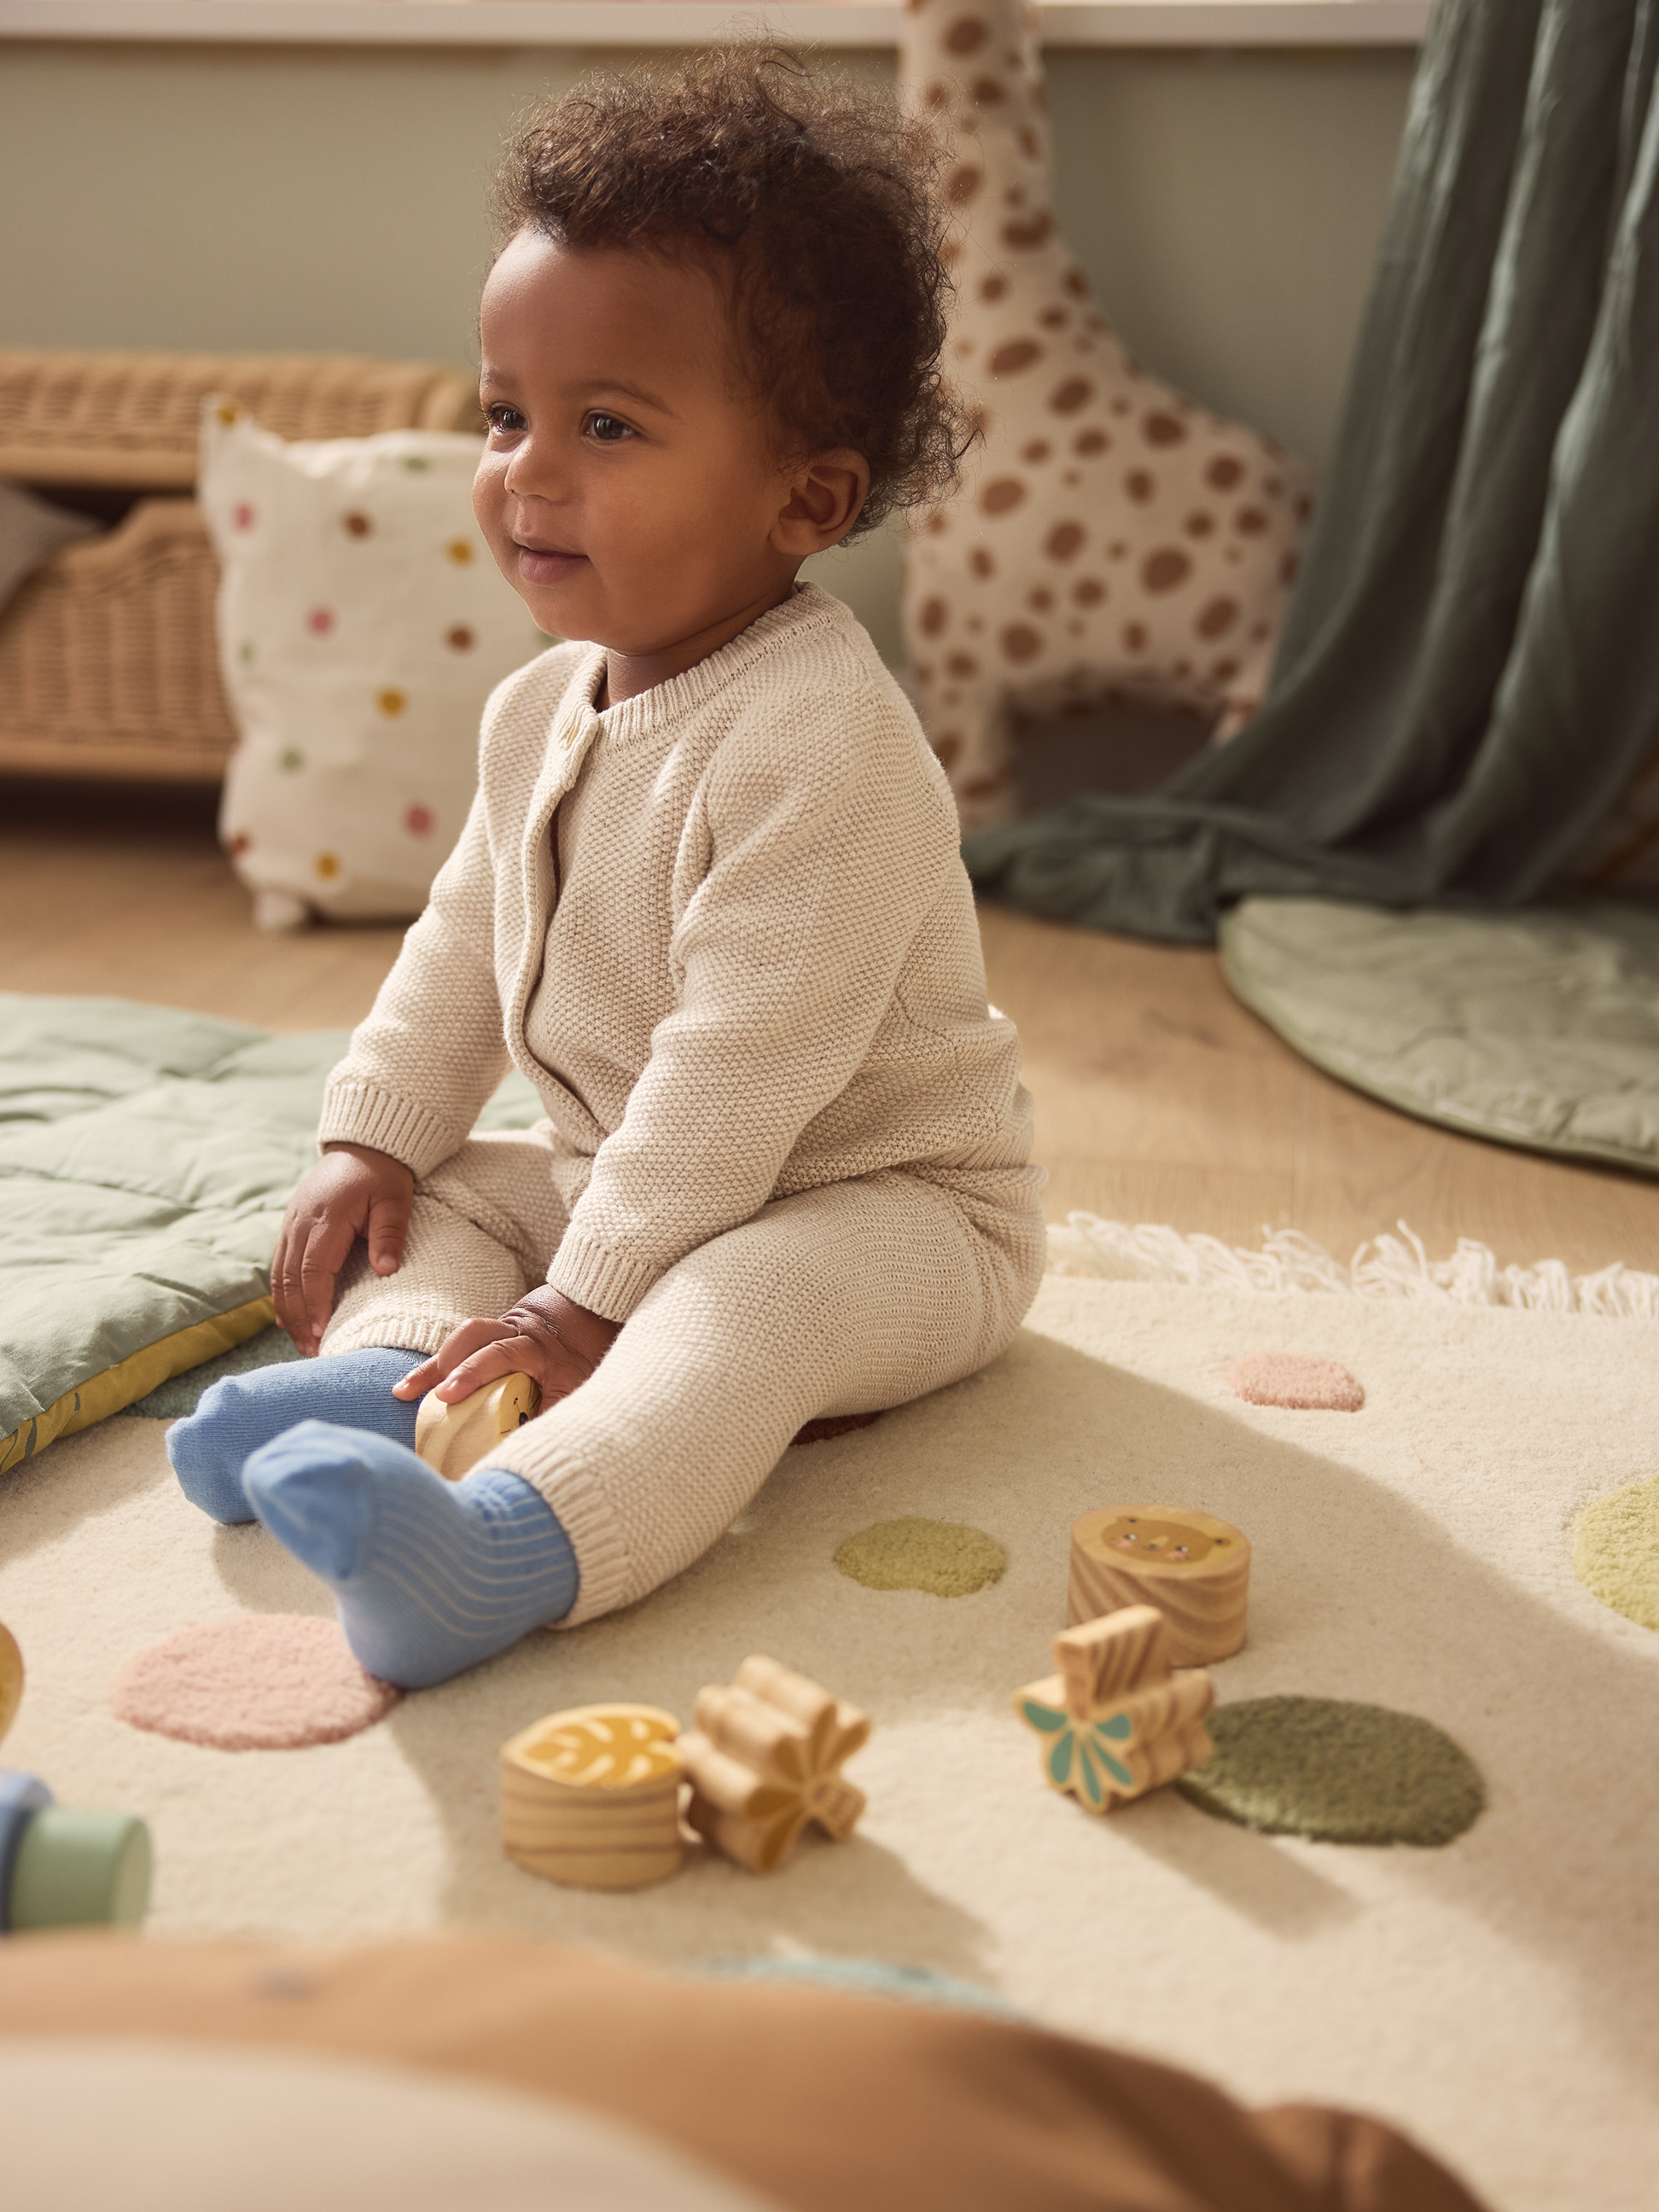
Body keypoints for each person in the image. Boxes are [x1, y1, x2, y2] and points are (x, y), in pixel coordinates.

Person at [167, 44, 1046, 1687]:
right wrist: (373, 1133)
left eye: (608, 425)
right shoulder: (538, 708)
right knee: (441, 1195)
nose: (528, 470)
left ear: (807, 496)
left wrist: (589, 1305)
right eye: (507, 414)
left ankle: (514, 1545)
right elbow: (461, 937)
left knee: (739, 1311)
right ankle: (393, 1392)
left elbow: (739, 1068)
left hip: (883, 1211)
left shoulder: (823, 741)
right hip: (629, 1174)